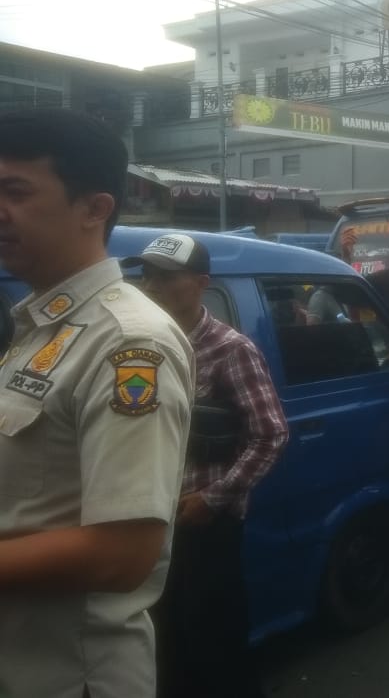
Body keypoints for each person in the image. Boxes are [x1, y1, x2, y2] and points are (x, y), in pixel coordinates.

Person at [0, 108, 194, 698]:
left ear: (95, 208)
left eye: (15, 191)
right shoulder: (40, 326)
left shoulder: (129, 341)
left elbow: (122, 552)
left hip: (69, 676)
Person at [123, 234, 288, 698]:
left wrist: (213, 499)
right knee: (164, 640)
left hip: (203, 524)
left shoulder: (229, 349)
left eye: (165, 276)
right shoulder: (139, 344)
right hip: (150, 518)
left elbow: (271, 434)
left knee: (214, 642)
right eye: (146, 275)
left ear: (200, 284)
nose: (151, 285)